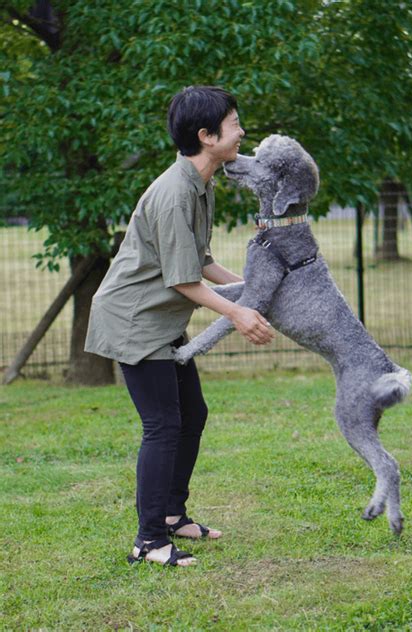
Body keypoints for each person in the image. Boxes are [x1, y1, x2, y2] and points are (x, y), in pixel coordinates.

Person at [84, 86, 274, 567]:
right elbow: (184, 279)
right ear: (207, 136)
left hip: (160, 319)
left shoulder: (200, 184)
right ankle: (148, 541)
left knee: (192, 414)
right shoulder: (173, 194)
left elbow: (202, 261)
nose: (242, 132)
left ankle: (172, 515)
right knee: (163, 425)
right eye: (234, 124)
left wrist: (252, 289)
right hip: (135, 321)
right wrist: (236, 312)